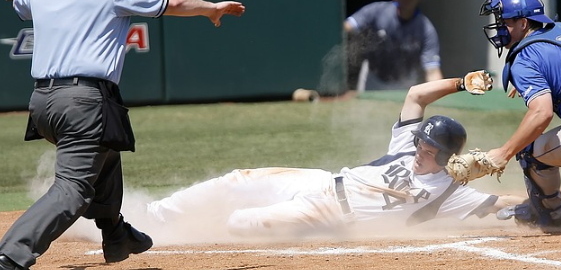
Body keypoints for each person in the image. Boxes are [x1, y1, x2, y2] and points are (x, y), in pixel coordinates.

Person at [0, 0, 245, 270]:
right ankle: (11, 254)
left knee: (107, 152)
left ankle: (116, 234)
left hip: (42, 102)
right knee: (74, 189)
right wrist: (211, 8)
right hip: (83, 101)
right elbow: (171, 2)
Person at [141, 71, 523, 240]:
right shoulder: (407, 147)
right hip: (321, 181)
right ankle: (152, 217)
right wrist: (461, 82)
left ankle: (193, 229)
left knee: (241, 223)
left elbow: (503, 202)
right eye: (420, 145)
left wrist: (548, 202)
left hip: (329, 215)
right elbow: (415, 95)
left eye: (429, 151)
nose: (419, 153)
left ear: (446, 157)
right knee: (236, 180)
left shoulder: (451, 193)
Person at [479, 0, 561, 233]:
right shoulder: (560, 32)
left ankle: (552, 214)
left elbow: (541, 113)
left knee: (529, 150)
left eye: (504, 21)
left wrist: (504, 153)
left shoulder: (525, 57)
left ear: (523, 23)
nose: (499, 27)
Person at [344, 0, 443, 92]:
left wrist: (439, 95)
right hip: (374, 78)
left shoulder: (426, 29)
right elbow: (347, 26)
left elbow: (432, 70)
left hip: (405, 82)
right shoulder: (377, 11)